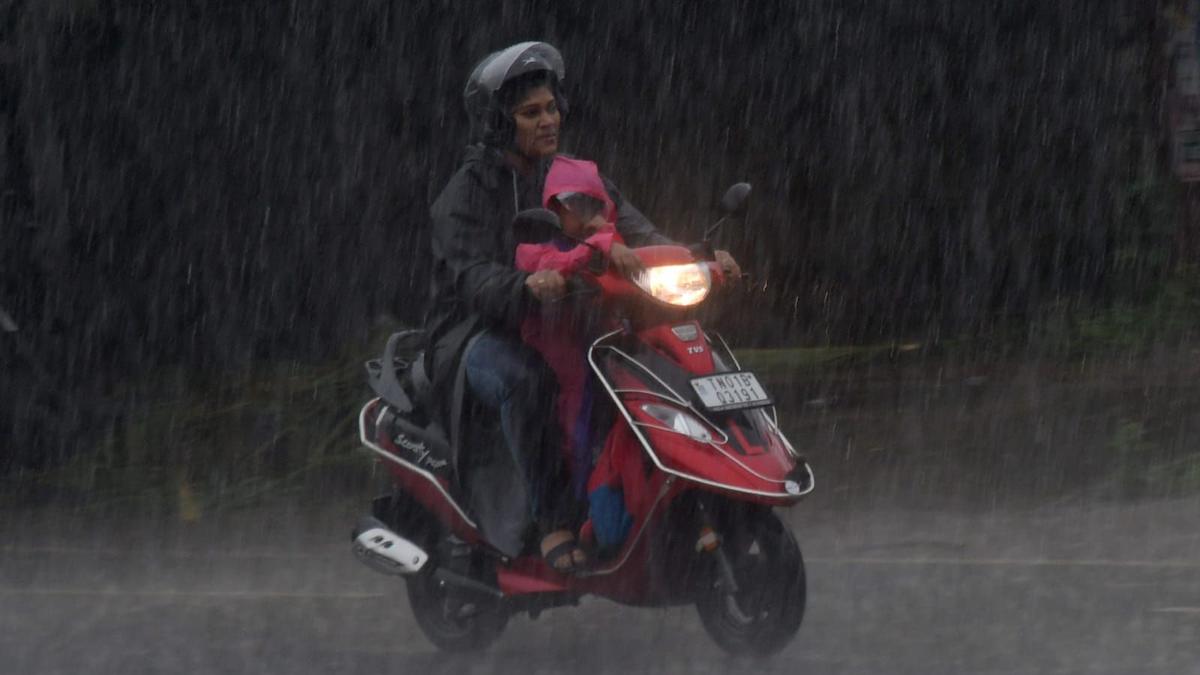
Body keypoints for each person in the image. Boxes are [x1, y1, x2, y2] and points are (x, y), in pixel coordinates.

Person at [424, 41, 740, 571]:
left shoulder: (574, 176)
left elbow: (636, 232)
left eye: (551, 108)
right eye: (531, 113)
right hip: (477, 332)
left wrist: (699, 259)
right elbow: (472, 278)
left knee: (644, 363)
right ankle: (552, 522)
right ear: (500, 124)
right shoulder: (468, 191)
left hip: (568, 321)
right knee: (527, 382)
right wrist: (525, 286)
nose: (548, 120)